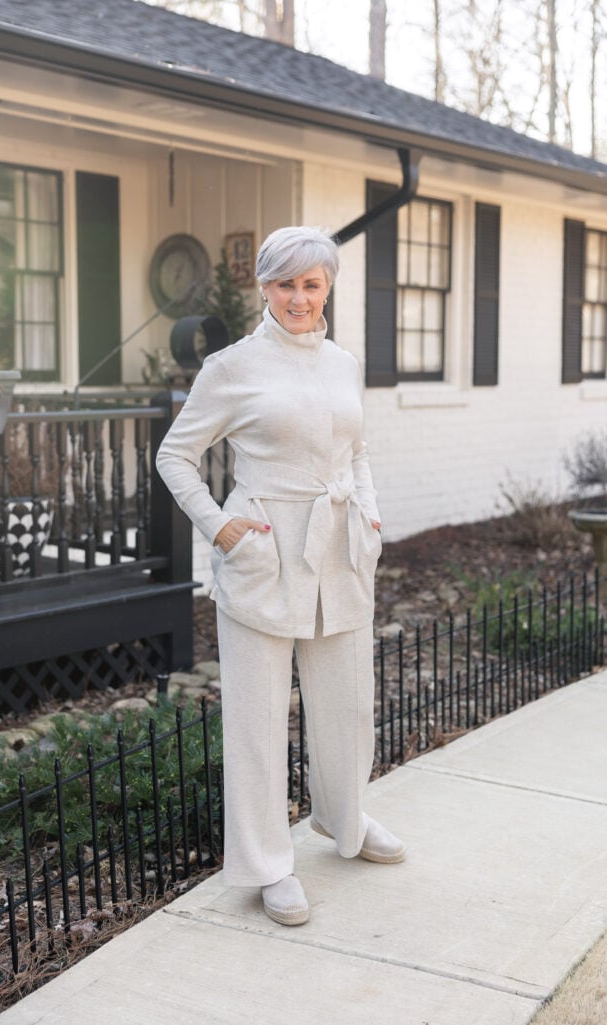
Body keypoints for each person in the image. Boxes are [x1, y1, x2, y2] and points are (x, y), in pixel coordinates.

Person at [156, 225, 405, 927]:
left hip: (341, 551)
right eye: (285, 283)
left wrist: (371, 516)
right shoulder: (230, 367)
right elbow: (176, 456)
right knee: (259, 720)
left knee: (347, 706)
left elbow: (355, 451)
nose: (299, 297)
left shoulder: (342, 362)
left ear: (327, 286)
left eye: (311, 283)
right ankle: (268, 865)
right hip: (263, 554)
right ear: (263, 287)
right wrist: (222, 525)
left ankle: (344, 819)